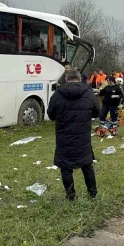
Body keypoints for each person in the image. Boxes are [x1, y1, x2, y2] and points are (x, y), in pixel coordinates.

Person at [47, 69, 100, 200]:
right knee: (87, 165)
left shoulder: (58, 94)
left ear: (66, 79)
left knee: (65, 167)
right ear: (80, 79)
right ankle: (92, 194)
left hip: (64, 137)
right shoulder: (88, 92)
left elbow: (51, 114)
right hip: (83, 137)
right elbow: (96, 112)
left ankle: (71, 196)